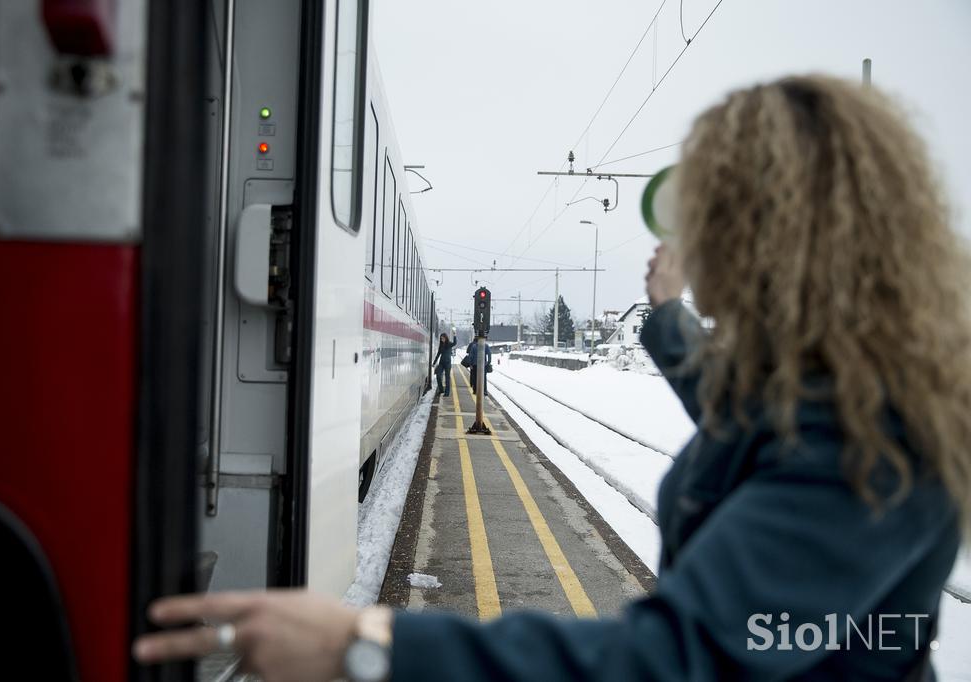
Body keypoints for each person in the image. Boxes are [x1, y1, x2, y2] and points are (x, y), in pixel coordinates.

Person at [132, 76, 970, 680]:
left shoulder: (870, 440)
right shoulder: (835, 389)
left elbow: (684, 656)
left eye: (706, 212)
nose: (695, 238)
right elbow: (734, 408)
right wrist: (667, 313)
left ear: (771, 233)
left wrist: (368, 647)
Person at [433, 332, 457, 396]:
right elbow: (438, 354)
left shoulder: (449, 344)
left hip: (447, 364)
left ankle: (447, 393)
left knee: (447, 378)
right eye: (441, 339)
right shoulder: (441, 345)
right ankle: (441, 390)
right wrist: (434, 363)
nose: (442, 340)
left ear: (446, 338)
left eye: (443, 338)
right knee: (438, 376)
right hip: (441, 363)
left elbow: (455, 343)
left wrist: (454, 335)